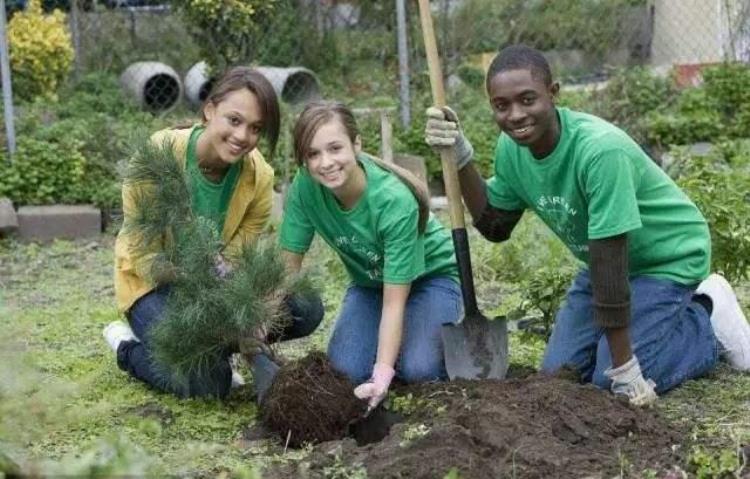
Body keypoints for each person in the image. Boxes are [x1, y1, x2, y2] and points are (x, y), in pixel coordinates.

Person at [424, 44, 750, 406]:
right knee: (557, 376)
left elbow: (610, 264)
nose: (515, 115)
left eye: (527, 99)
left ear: (554, 93)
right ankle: (646, 336)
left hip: (666, 258)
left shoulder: (599, 152)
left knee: (610, 385)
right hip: (603, 264)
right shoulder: (511, 149)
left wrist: (625, 368)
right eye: (502, 106)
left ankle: (705, 320)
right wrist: (461, 157)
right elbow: (494, 226)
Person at [104, 67, 323, 400]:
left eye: (255, 128)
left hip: (216, 284)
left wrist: (250, 312)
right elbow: (144, 256)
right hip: (154, 286)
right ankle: (128, 348)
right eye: (234, 120)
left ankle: (220, 346)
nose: (242, 136)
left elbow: (238, 258)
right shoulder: (159, 158)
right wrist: (208, 299)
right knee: (209, 384)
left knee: (306, 307)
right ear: (209, 110)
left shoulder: (258, 177)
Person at [280, 100, 462, 411]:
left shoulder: (393, 202)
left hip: (431, 278)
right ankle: (407, 339)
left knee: (420, 370)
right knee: (345, 373)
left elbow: (394, 303)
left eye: (335, 148)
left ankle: (423, 334)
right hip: (369, 284)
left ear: (357, 145)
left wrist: (381, 373)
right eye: (313, 154)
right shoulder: (305, 188)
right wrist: (257, 332)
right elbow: (287, 270)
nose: (326, 163)